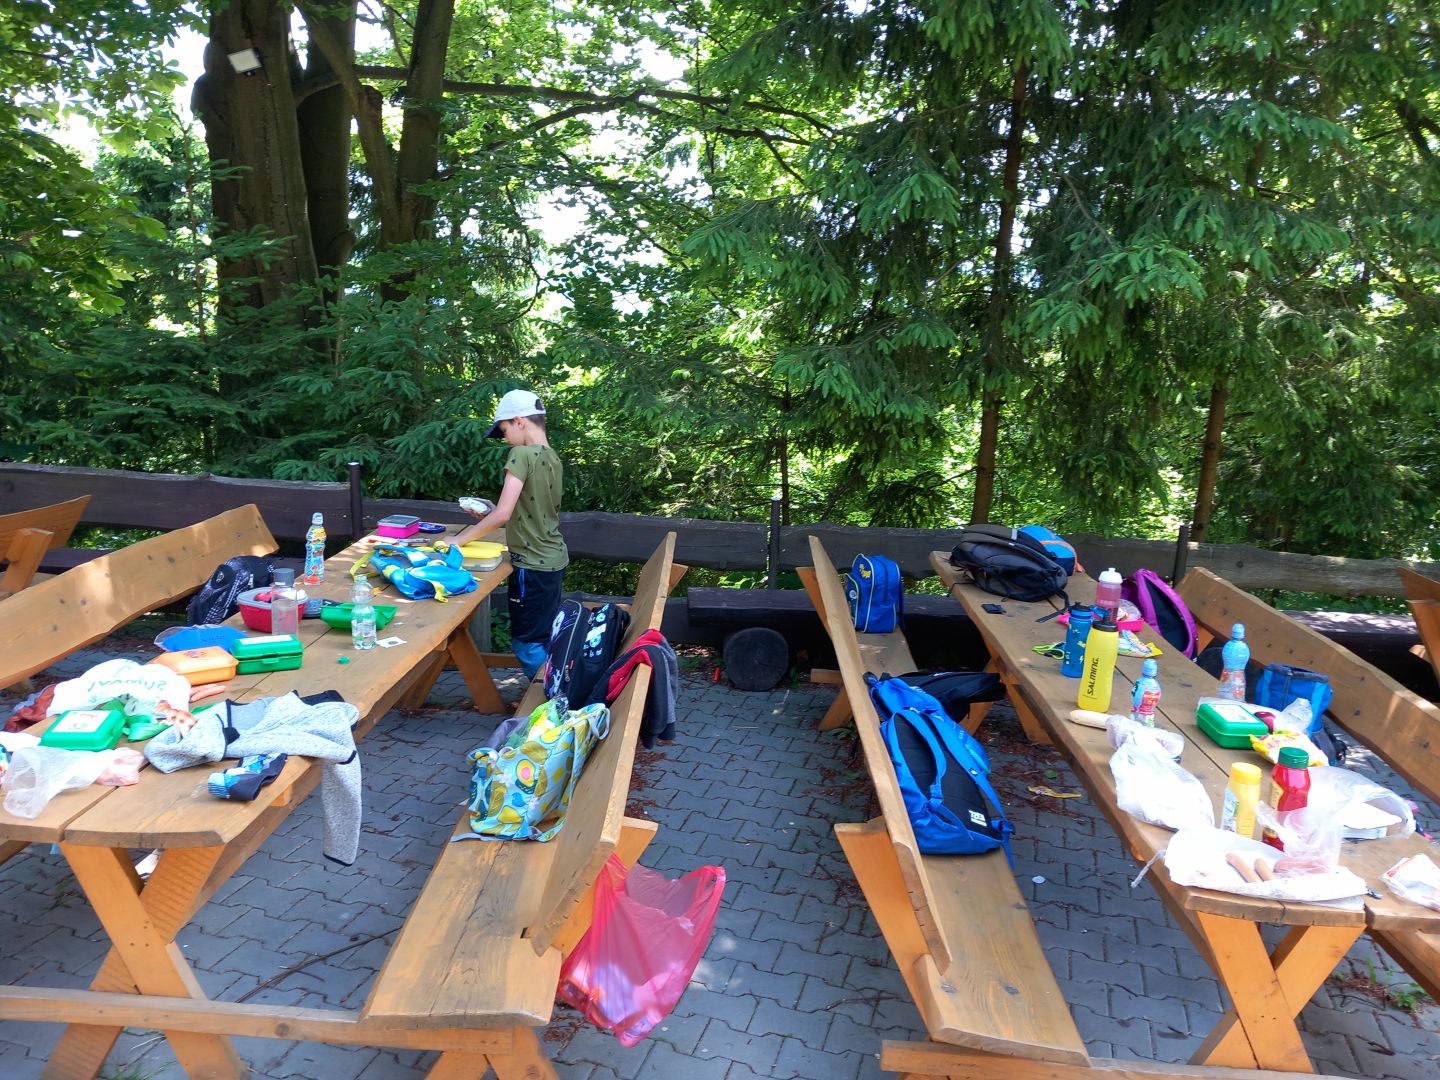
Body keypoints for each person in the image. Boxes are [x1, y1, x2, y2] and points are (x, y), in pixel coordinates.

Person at [454, 389, 568, 680]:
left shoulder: (521, 454)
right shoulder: (552, 457)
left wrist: (457, 541)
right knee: (543, 637)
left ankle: (554, 699)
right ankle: (560, 690)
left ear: (519, 421)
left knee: (527, 644)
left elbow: (504, 515)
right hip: (552, 559)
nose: (504, 438)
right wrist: (491, 512)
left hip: (532, 565)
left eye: (504, 430)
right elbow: (530, 509)